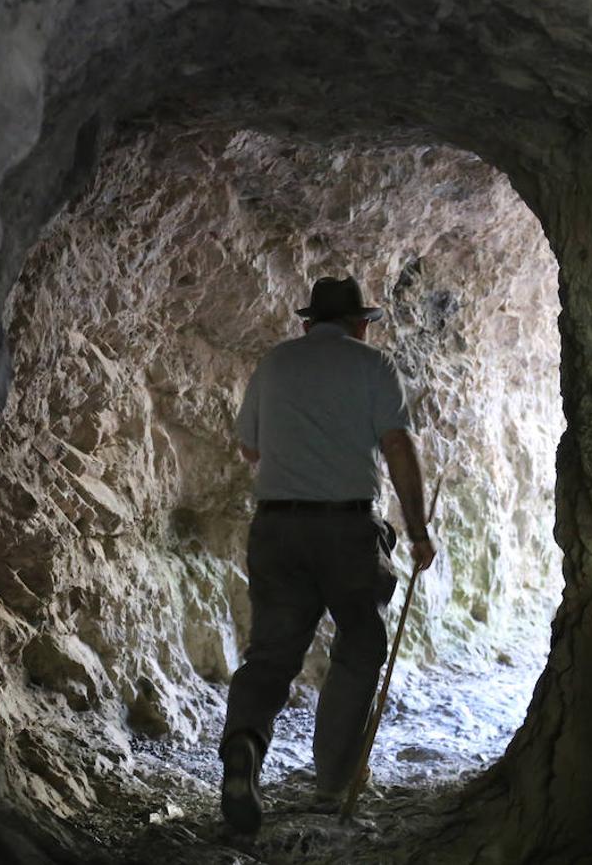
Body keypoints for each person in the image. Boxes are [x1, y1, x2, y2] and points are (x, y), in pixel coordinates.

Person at [219, 275, 437, 833]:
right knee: (360, 646)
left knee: (271, 655)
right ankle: (331, 783)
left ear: (308, 322)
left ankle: (244, 748)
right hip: (345, 529)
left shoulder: (275, 363)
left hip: (277, 528)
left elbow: (250, 447)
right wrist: (416, 529)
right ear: (360, 323)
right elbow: (397, 444)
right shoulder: (373, 367)